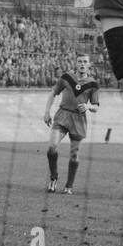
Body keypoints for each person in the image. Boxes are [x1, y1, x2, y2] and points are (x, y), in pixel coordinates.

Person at [42, 54, 100, 193]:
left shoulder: (93, 84)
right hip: (62, 115)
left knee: (74, 155)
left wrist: (88, 107)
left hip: (78, 119)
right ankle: (53, 178)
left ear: (89, 65)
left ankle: (69, 186)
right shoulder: (66, 77)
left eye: (85, 62)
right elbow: (53, 93)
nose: (82, 64)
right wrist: (46, 112)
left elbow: (96, 106)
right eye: (80, 61)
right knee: (52, 147)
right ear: (76, 63)